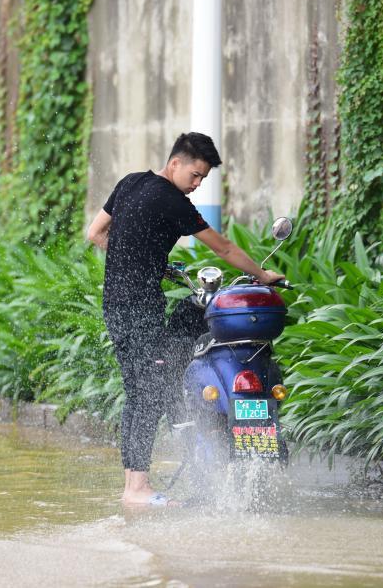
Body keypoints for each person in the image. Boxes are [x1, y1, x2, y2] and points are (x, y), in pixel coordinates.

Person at [86, 132, 286, 506]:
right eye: (195, 175)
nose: (196, 185)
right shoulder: (172, 201)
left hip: (115, 304)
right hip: (140, 308)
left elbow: (96, 233)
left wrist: (143, 262)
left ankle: (134, 485)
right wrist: (262, 276)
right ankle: (136, 489)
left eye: (203, 179)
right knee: (148, 392)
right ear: (175, 163)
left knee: (139, 391)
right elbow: (223, 247)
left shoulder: (130, 182)